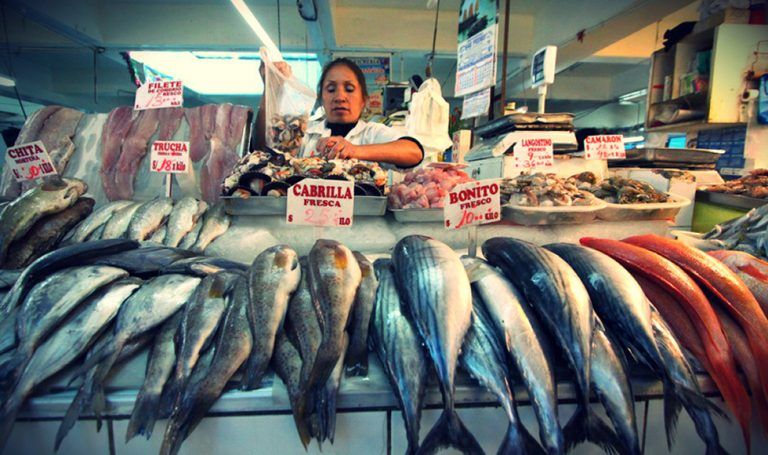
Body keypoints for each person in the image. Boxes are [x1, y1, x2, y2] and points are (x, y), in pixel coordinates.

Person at [254, 58, 423, 169]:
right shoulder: (304, 133)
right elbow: (262, 149)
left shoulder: (372, 133)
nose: (340, 97)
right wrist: (271, 88)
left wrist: (354, 150)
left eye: (349, 89)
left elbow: (414, 152)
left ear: (363, 99)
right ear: (321, 98)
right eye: (331, 89)